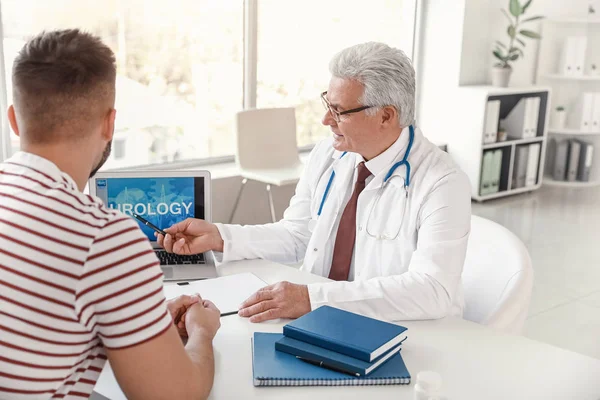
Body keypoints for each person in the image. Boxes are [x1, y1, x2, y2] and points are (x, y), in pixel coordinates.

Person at [158, 42, 471, 324]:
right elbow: (297, 234)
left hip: (403, 329)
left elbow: (433, 290)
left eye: (339, 111)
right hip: (323, 320)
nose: (326, 120)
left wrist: (311, 298)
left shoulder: (442, 183)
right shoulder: (330, 154)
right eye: (327, 104)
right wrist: (220, 237)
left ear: (386, 116)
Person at [0, 29, 220, 399]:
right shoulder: (103, 237)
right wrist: (202, 330)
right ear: (109, 124)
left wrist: (138, 316)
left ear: (14, 120)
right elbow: (176, 395)